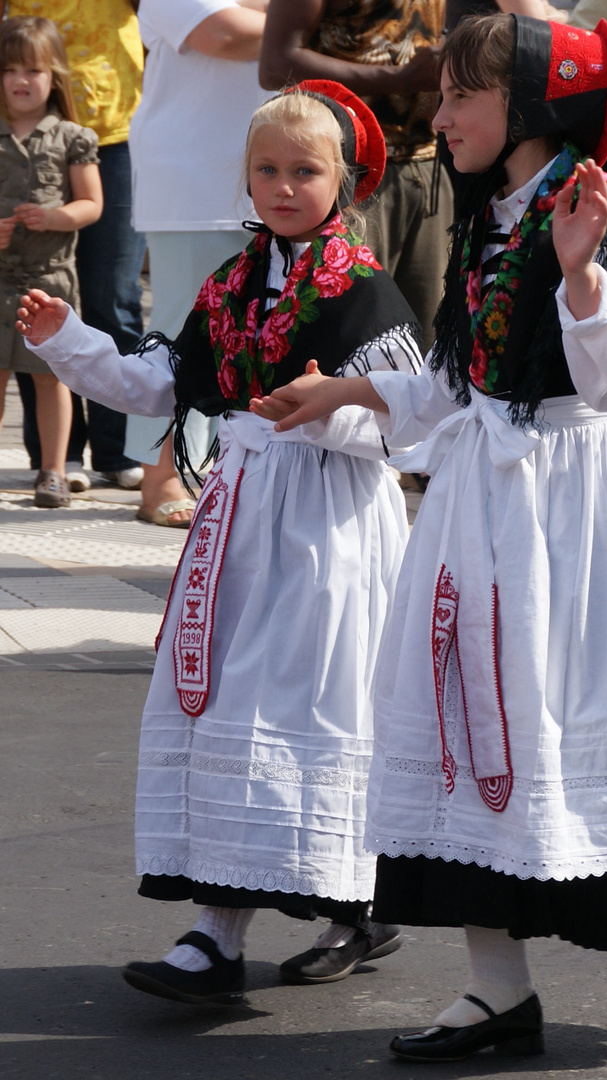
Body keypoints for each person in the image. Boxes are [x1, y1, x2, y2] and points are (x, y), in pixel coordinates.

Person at [261, 15, 607, 1060]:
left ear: (529, 106)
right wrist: (347, 387)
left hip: (577, 509)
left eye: (462, 96)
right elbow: (464, 384)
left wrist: (584, 276)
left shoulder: (588, 212)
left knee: (592, 710)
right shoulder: (491, 218)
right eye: (443, 95)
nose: (440, 113)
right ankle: (495, 988)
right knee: (462, 717)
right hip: (486, 505)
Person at [18, 82, 423, 1001]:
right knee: (221, 709)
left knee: (317, 707)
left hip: (327, 534)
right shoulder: (230, 288)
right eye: (266, 169)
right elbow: (160, 384)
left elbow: (413, 429)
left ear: (346, 181)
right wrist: (69, 341)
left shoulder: (365, 292)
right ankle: (215, 930)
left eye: (305, 171)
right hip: (240, 525)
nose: (283, 187)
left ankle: (355, 901)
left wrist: (326, 415)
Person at [125, 0, 269, 527]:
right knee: (180, 330)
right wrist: (314, 21)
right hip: (194, 182)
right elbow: (225, 34)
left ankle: (226, 468)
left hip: (277, 169)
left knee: (262, 328)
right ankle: (159, 473)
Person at [7, 0, 146, 495]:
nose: (20, 75)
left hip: (115, 133)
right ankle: (58, 458)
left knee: (113, 295)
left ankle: (120, 451)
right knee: (33, 310)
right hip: (20, 139)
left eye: (30, 69)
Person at [260, 0, 452, 350]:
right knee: (340, 340)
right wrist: (397, 79)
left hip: (429, 166)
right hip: (350, 176)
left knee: (427, 346)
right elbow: (275, 64)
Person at [0, 15, 102, 507]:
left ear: (54, 76)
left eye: (34, 70)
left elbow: (92, 204)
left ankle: (54, 471)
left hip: (49, 281)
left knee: (51, 376)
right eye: (12, 68)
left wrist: (54, 217)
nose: (22, 80)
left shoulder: (72, 136)